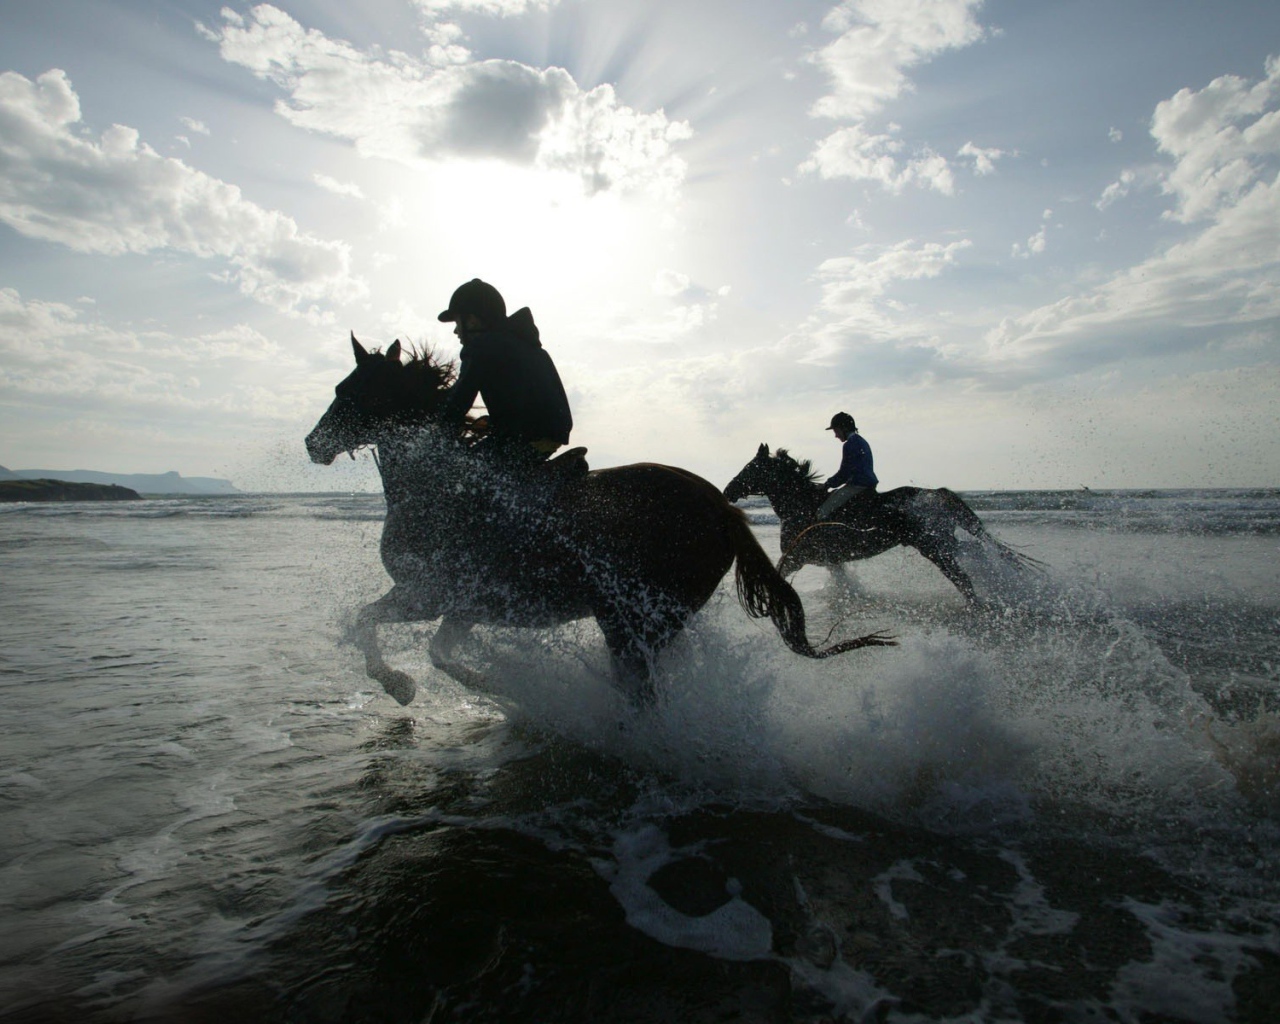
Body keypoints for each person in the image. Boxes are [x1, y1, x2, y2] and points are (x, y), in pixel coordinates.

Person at [436, 279, 573, 471]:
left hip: (522, 439)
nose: (456, 330)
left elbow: (458, 402)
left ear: (472, 320)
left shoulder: (480, 347)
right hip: (551, 436)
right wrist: (494, 423)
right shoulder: (527, 344)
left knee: (460, 472)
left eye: (458, 321)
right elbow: (527, 400)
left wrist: (433, 434)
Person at [817, 411, 877, 519]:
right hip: (869, 484)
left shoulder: (850, 444)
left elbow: (844, 473)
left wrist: (827, 485)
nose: (835, 435)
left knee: (822, 512)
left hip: (857, 486)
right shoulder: (861, 441)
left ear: (843, 428)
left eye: (836, 431)